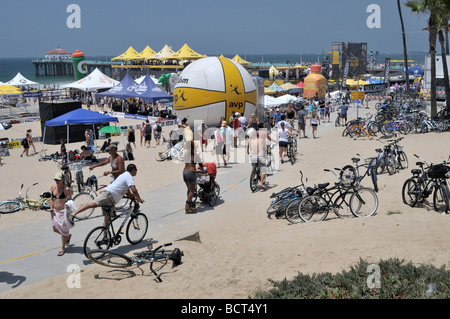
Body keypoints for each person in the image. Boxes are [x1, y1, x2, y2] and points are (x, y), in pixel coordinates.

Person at [71, 164, 144, 226]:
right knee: (92, 204)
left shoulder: (124, 175)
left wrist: (135, 201)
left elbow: (128, 193)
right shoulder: (129, 176)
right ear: (133, 170)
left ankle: (105, 238)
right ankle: (73, 214)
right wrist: (139, 199)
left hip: (111, 199)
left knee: (107, 219)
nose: (136, 172)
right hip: (109, 195)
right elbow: (134, 190)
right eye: (136, 170)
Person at [50, 172, 73, 256]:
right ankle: (67, 236)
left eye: (58, 180)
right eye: (56, 180)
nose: (57, 181)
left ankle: (62, 248)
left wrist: (68, 206)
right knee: (55, 229)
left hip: (63, 212)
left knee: (63, 231)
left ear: (62, 180)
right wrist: (51, 209)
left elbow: (70, 200)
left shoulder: (66, 189)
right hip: (54, 212)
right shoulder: (53, 187)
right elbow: (52, 199)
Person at [183, 139, 203, 214]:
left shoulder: (186, 154)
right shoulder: (195, 155)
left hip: (184, 172)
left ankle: (190, 203)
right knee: (192, 190)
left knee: (189, 189)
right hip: (191, 172)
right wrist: (202, 171)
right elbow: (201, 165)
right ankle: (187, 205)